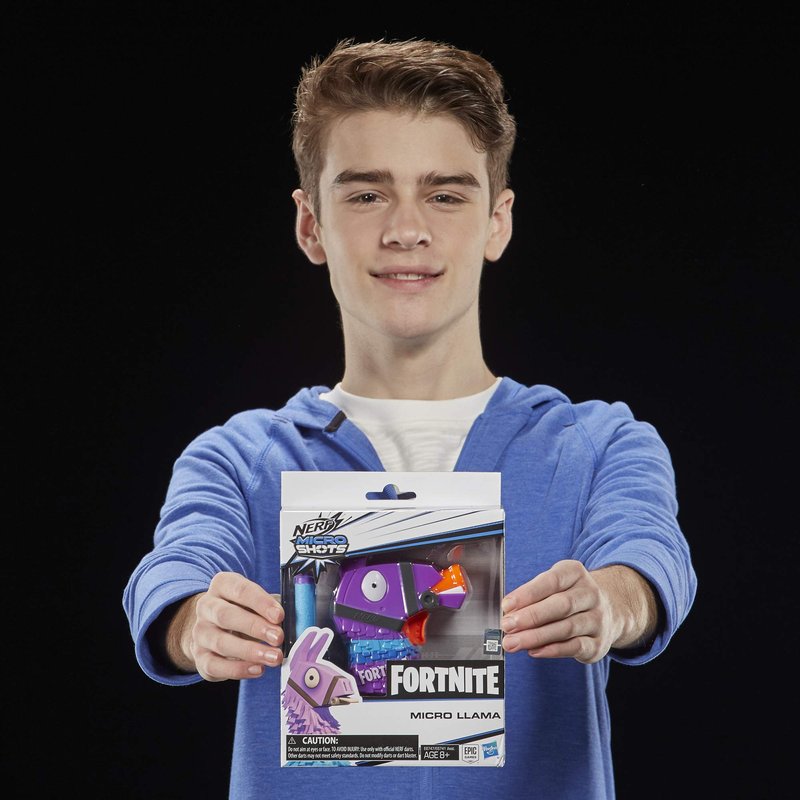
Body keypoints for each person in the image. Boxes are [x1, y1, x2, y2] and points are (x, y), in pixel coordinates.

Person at [123, 37, 697, 799]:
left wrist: (612, 603)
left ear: (497, 222)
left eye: (445, 195)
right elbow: (172, 571)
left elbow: (650, 559)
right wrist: (193, 619)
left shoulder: (599, 444)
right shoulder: (236, 458)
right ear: (310, 225)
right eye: (366, 194)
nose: (406, 229)